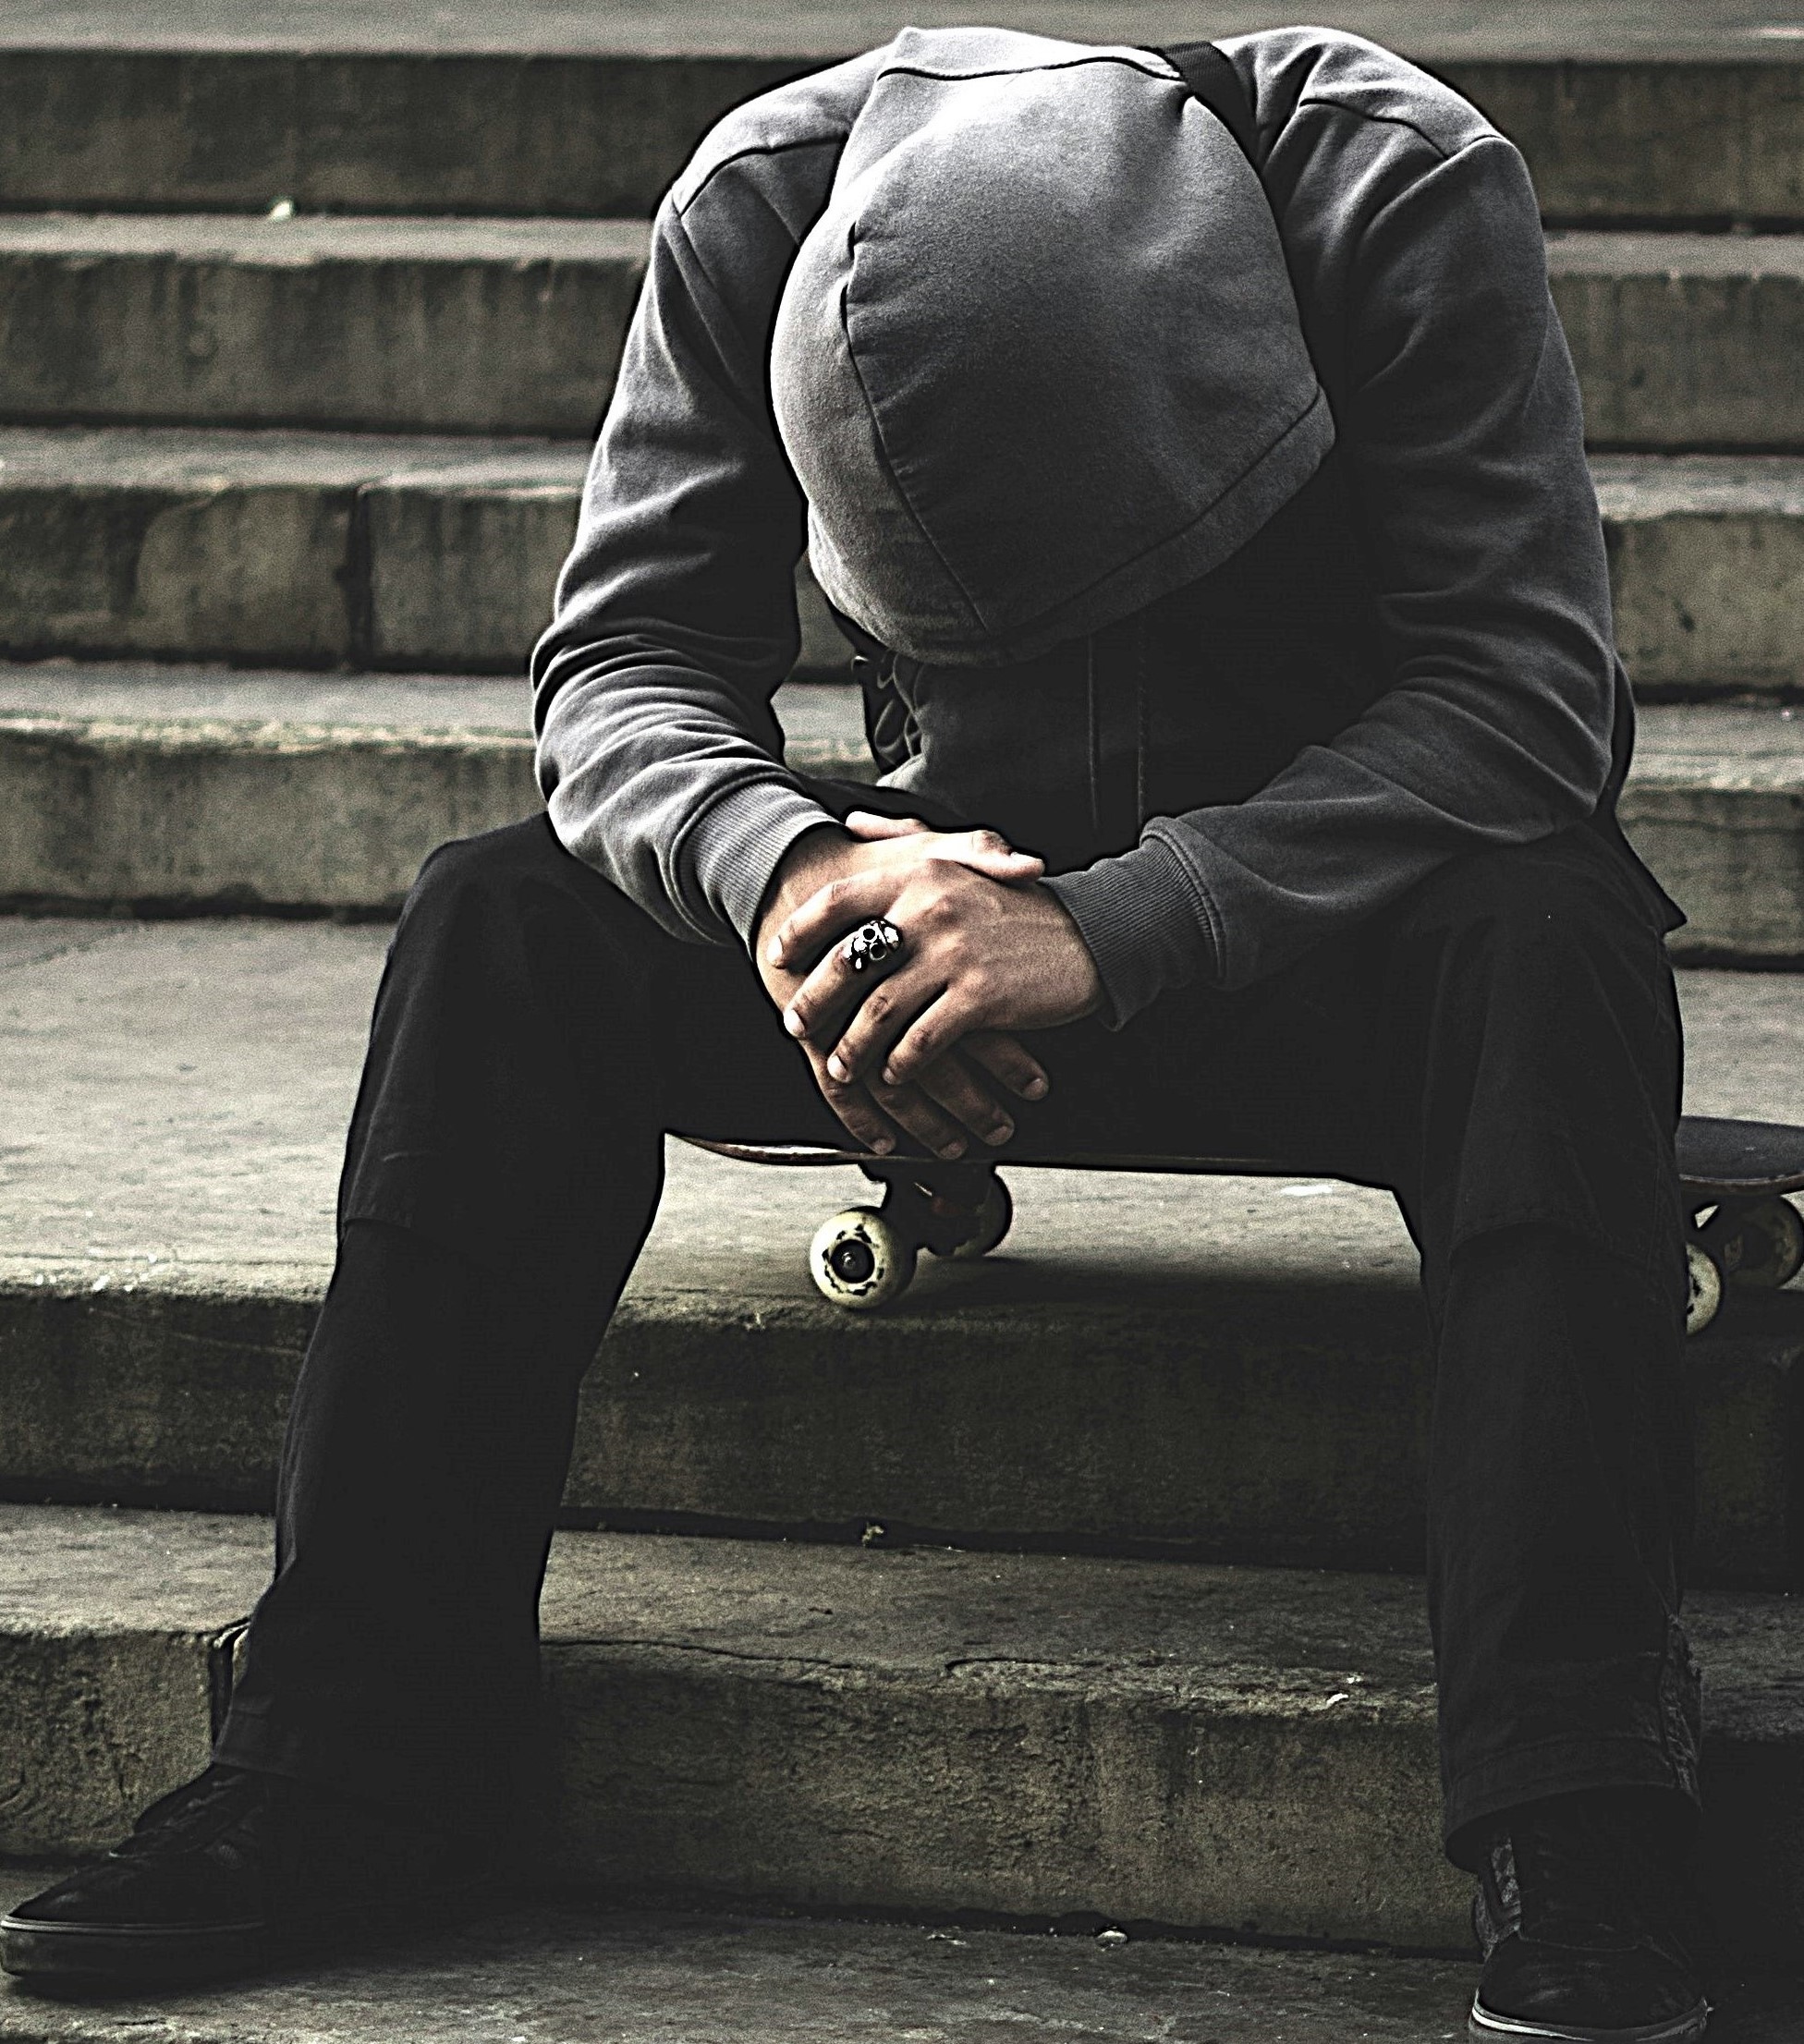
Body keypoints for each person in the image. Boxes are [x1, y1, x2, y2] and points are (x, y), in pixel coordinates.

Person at [2, 26, 1705, 2042]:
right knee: (503, 917)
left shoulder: (1395, 181)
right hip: (937, 880)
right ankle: (346, 1759)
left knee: (1552, 936)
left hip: (1333, 921)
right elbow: (624, 661)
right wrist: (793, 873)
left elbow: (1523, 696)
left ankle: (1574, 1806)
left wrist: (1117, 921)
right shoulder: (757, 203)